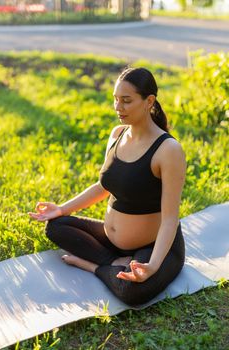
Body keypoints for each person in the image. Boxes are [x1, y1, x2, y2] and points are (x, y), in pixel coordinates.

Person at [29, 67, 186, 306]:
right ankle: (114, 263)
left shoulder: (168, 150)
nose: (118, 107)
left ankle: (94, 266)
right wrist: (61, 209)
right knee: (56, 227)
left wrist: (152, 265)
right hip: (112, 240)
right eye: (115, 99)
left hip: (153, 245)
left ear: (149, 101)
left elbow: (170, 219)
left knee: (131, 292)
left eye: (126, 101)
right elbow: (103, 186)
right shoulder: (118, 134)